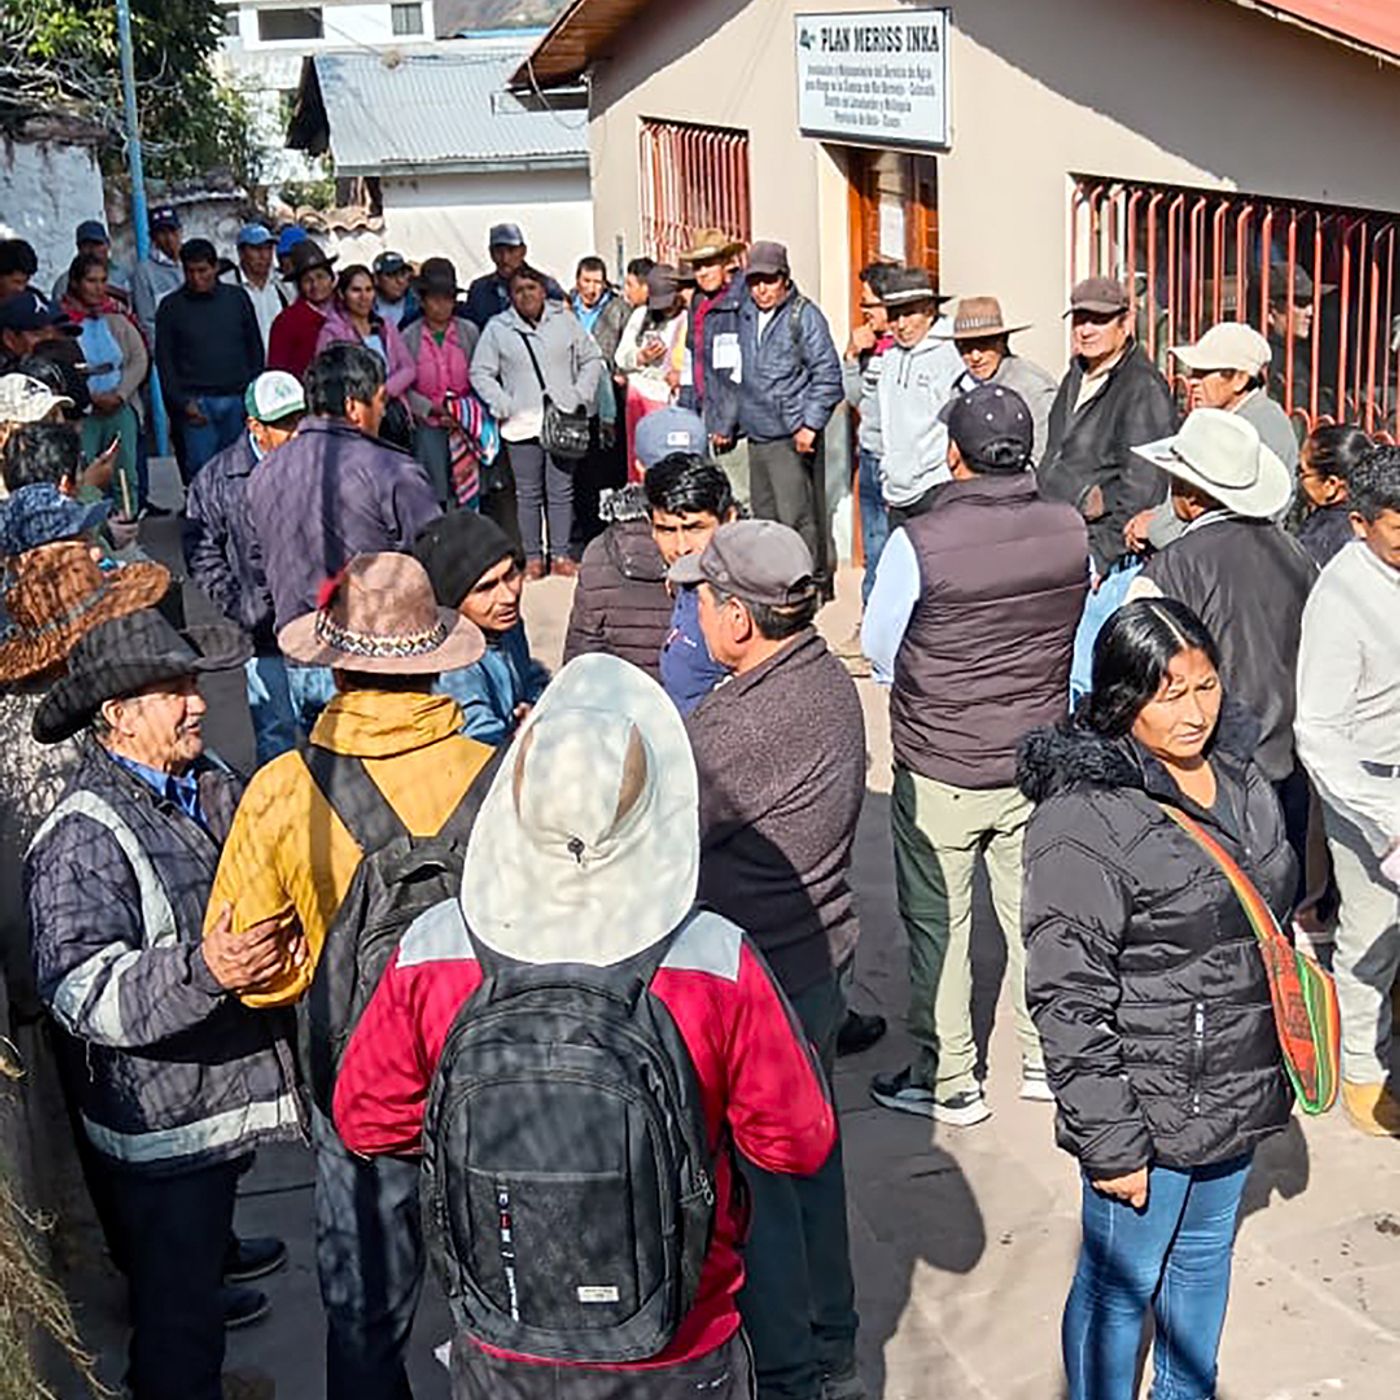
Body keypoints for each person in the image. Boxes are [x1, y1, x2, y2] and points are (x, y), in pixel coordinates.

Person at [332, 652, 835, 1400]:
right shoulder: (713, 958)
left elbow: (366, 1121)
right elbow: (797, 1143)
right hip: (680, 1339)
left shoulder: (434, 948)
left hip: (502, 1331)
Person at [206, 552, 490, 1399]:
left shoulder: (283, 791)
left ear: (333, 669)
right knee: (503, 1299)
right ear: (437, 663)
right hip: (490, 1079)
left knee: (365, 1316)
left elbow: (250, 967)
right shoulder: (498, 774)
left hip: (358, 1089)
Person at [1018, 598, 1295, 1400]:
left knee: (1204, 1261)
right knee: (1120, 1285)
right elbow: (1067, 997)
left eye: (1205, 687)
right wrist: (1111, 1139)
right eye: (1168, 694)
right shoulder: (1084, 819)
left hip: (1234, 1084)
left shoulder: (1241, 775)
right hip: (1149, 1103)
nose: (1194, 713)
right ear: (1121, 697)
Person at [25, 608, 302, 1400]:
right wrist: (204, 969)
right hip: (162, 1126)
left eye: (192, 684)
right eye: (174, 690)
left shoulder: (206, 778)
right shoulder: (81, 838)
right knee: (179, 1318)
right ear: (119, 716)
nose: (198, 702)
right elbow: (81, 992)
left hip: (210, 1103)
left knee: (195, 1282)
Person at [864, 385, 1089, 1124]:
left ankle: (950, 1076)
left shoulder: (920, 540)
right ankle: (1046, 1059)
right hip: (1035, 760)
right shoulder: (1069, 527)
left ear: (954, 455)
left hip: (942, 765)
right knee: (1038, 916)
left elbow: (879, 648)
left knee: (940, 922)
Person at [676, 519, 865, 1400]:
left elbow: (660, 823)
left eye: (701, 598)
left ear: (738, 619)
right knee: (812, 1159)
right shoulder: (824, 679)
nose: (693, 613)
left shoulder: (740, 726)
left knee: (764, 1186)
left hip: (761, 981)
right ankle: (833, 1336)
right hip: (817, 961)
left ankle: (792, 1368)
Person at [1128, 409, 1316, 869]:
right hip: (1291, 761)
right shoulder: (1297, 554)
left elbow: (1136, 677)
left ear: (1191, 495)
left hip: (1206, 772)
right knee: (1278, 893)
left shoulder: (1170, 570)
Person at [244, 343, 441, 732]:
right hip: (375, 663)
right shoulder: (390, 469)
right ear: (354, 406)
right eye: (381, 401)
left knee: (320, 762)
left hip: (299, 656)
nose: (383, 412)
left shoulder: (264, 473)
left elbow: (257, 568)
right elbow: (434, 561)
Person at [1295, 447, 1400, 1136]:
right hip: (1372, 792)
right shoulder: (1341, 599)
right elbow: (1320, 732)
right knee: (1372, 936)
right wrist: (1385, 817)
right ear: (1361, 523)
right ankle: (1365, 1071)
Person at [1039, 276, 1179, 699]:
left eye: (1098, 320)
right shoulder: (1077, 373)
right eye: (1080, 318)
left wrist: (1103, 553)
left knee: (1086, 676)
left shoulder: (1141, 387)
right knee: (1058, 667)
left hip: (1106, 559)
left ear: (1125, 323)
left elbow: (1144, 485)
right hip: (1063, 540)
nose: (1086, 329)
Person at [183, 370, 306, 766]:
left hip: (320, 632)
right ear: (255, 426)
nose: (295, 432)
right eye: (283, 424)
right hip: (265, 637)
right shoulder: (217, 480)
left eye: (299, 419)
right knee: (277, 737)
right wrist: (240, 605)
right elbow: (201, 550)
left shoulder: (318, 466)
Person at [715, 241, 843, 576]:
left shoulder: (804, 316)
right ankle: (773, 583)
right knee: (765, 520)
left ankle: (806, 584)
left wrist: (810, 426)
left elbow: (828, 376)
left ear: (785, 278)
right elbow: (740, 374)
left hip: (791, 435)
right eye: (754, 281)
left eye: (769, 280)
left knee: (797, 519)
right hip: (757, 433)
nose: (761, 289)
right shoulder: (745, 314)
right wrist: (728, 421)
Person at [470, 264, 604, 577]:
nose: (526, 295)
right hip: (521, 423)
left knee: (561, 490)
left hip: (563, 418)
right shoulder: (498, 328)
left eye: (531, 288)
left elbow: (591, 358)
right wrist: (503, 403)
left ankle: (560, 555)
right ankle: (532, 557)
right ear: (510, 296)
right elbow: (480, 371)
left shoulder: (564, 320)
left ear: (543, 291)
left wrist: (579, 395)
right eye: (518, 290)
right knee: (528, 493)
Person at [1127, 321, 1301, 553]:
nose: (1193, 381)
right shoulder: (1223, 419)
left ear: (1239, 379)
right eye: (1193, 372)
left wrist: (1154, 527)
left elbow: (1224, 511)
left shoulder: (1261, 426)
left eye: (1204, 373)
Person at [414, 510, 550, 744]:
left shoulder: (505, 625)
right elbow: (481, 746)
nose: (508, 596)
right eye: (485, 588)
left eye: (510, 575)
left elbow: (530, 676)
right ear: (452, 602)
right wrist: (522, 740)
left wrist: (534, 707)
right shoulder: (455, 668)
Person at [155, 239, 264, 475]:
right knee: (202, 474)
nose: (197, 278)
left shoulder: (237, 299)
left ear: (215, 268)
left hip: (237, 400)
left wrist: (252, 398)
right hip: (197, 405)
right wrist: (181, 403)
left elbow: (254, 349)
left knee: (240, 471)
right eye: (190, 271)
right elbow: (165, 362)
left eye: (202, 270)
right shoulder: (171, 307)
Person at [873, 267, 962, 525]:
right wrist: (887, 471)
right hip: (897, 490)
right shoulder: (889, 357)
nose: (901, 325)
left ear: (929, 311)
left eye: (910, 313)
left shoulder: (951, 354)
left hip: (937, 485)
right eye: (894, 315)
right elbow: (884, 421)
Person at [60, 252, 148, 513]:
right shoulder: (62, 322)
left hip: (119, 407)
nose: (99, 288)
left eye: (102, 280)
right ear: (75, 283)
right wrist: (89, 398)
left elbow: (139, 358)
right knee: (84, 477)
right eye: (91, 281)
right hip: (83, 413)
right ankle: (92, 529)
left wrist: (120, 394)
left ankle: (128, 524)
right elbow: (61, 367)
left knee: (126, 474)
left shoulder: (116, 316)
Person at [939, 296, 1058, 467]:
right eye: (965, 347)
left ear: (1002, 342)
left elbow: (1047, 456)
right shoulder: (960, 389)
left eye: (984, 345)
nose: (975, 357)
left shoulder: (1033, 387)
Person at [402, 257, 481, 507]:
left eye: (447, 298)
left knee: (467, 494)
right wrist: (430, 409)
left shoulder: (469, 332)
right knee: (433, 493)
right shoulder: (409, 336)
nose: (441, 305)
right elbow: (404, 387)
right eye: (435, 298)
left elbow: (481, 376)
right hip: (428, 424)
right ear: (422, 300)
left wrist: (464, 412)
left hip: (466, 424)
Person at [842, 263, 897, 608]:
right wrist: (851, 356)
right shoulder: (870, 347)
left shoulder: (902, 351)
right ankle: (871, 614)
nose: (865, 312)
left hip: (896, 461)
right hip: (870, 455)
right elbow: (855, 398)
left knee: (895, 547)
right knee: (874, 545)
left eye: (869, 304)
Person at [569, 254, 629, 545]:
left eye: (598, 282)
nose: (592, 288)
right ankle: (582, 523)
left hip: (609, 394)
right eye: (587, 281)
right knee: (578, 466)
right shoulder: (566, 309)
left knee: (607, 464)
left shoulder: (618, 309)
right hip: (574, 395)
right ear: (577, 281)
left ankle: (608, 524)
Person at [616, 263, 691, 477]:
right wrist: (641, 357)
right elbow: (620, 356)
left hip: (667, 400)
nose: (665, 310)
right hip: (638, 397)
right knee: (638, 461)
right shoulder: (641, 315)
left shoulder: (685, 318)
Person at [317, 264, 416, 404]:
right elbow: (326, 378)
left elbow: (408, 367)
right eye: (356, 290)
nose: (364, 297)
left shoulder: (385, 325)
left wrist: (386, 390)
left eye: (369, 289)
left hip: (392, 405)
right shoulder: (332, 332)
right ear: (341, 294)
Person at [463, 222, 565, 329]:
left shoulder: (546, 285)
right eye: (499, 252)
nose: (505, 259)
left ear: (523, 251)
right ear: (491, 254)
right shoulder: (479, 289)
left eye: (511, 251)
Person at [1297, 423, 1370, 568]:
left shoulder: (1323, 538)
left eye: (1301, 471)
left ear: (1331, 484)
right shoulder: (1376, 516)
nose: (1298, 478)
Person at [1267, 263, 1335, 420]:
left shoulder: (1301, 356)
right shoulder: (1267, 363)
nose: (1310, 312)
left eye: (1311, 303)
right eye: (1301, 303)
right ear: (1271, 311)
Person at [267, 240, 338, 381]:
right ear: (299, 286)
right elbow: (277, 372)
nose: (315, 285)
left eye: (320, 277)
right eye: (307, 280)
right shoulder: (287, 321)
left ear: (332, 278)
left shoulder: (345, 309)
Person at [223, 224, 287, 353]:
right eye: (256, 249)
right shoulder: (226, 284)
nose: (263, 255)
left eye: (268, 248)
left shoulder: (284, 284)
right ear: (241, 253)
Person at [130, 205, 184, 343]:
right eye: (162, 233)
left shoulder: (192, 260)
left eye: (173, 231)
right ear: (153, 237)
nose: (169, 238)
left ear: (180, 231)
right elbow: (147, 322)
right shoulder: (144, 272)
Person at [51, 219, 131, 304]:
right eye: (87, 245)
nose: (92, 250)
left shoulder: (126, 274)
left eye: (97, 244)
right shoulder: (65, 281)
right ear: (79, 248)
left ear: (108, 244)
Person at [371, 250, 418, 328]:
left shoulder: (418, 305)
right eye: (391, 275)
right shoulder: (365, 305)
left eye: (403, 274)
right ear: (376, 279)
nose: (400, 281)